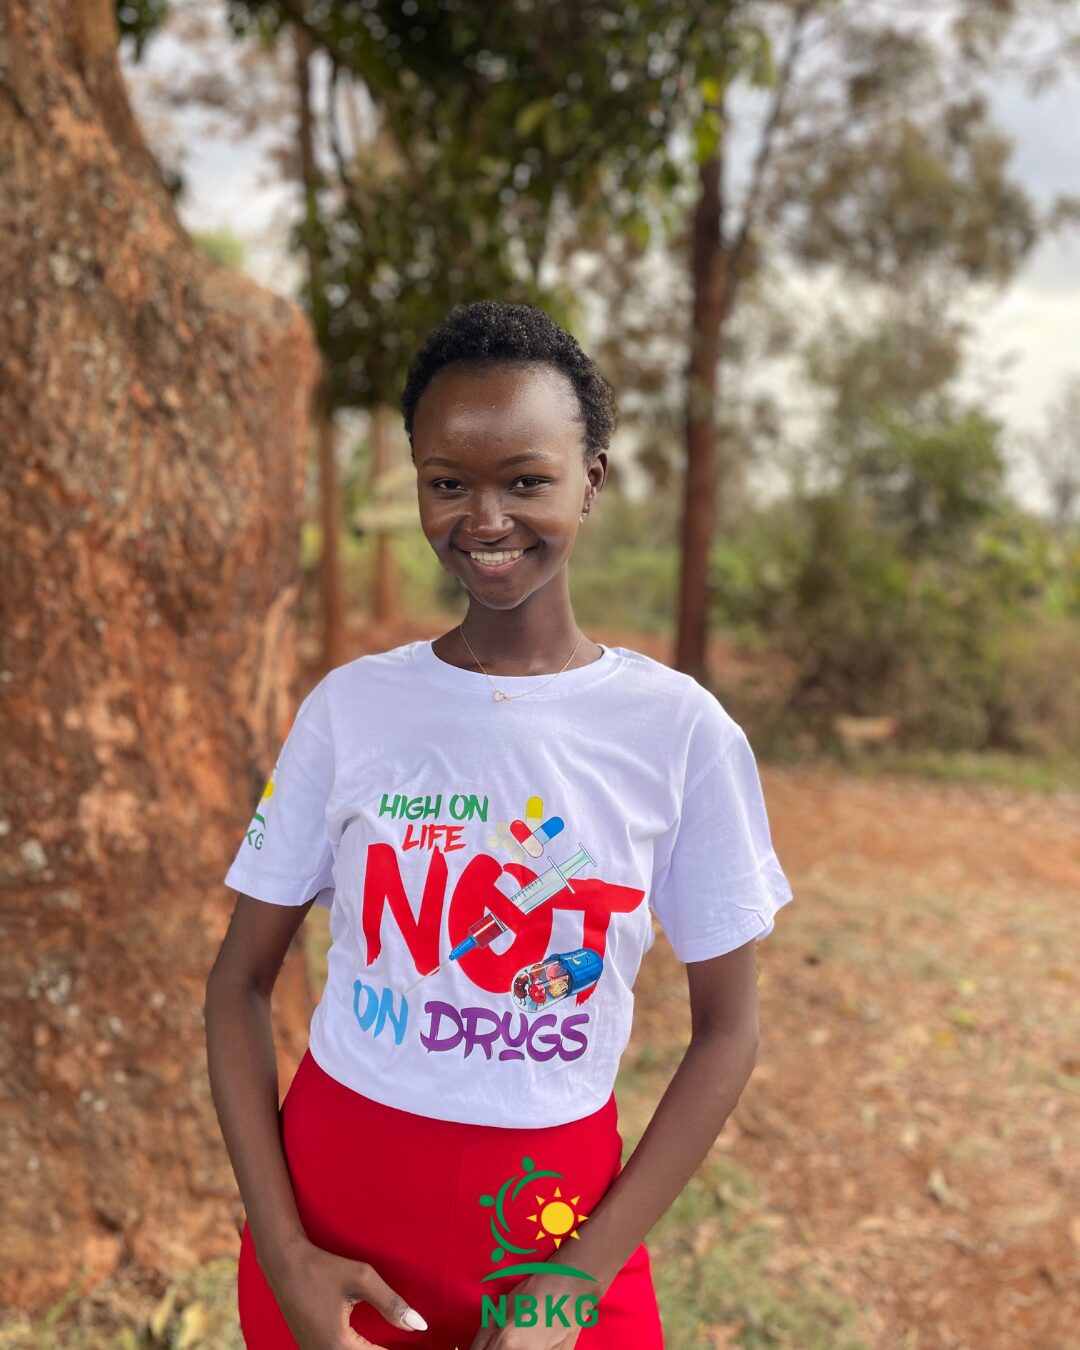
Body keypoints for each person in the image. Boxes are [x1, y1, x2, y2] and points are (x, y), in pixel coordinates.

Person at [205, 300, 795, 1350]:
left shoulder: (679, 734)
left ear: (591, 481)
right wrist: (284, 1251)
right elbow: (237, 985)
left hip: (555, 1228)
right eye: (448, 483)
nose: (485, 519)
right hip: (335, 1218)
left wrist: (577, 1282)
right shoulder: (352, 710)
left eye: (526, 480)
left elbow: (728, 1031)